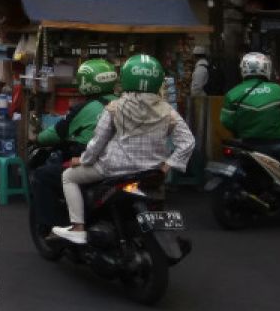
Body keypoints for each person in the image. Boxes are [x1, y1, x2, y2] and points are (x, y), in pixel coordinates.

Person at [52, 54, 196, 244]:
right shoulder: (168, 111)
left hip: (114, 169)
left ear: (126, 78)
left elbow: (97, 143)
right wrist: (167, 166)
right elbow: (188, 142)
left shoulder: (114, 108)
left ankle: (78, 227)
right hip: (150, 173)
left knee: (68, 176)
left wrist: (83, 160)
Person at [30, 59, 118, 229]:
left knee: (44, 175)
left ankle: (54, 227)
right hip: (122, 163)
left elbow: (57, 132)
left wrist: (36, 139)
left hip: (96, 162)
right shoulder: (122, 102)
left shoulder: (87, 108)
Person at [220, 52, 280, 198]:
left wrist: (241, 130)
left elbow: (226, 121)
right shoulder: (279, 90)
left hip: (248, 144)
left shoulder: (232, 93)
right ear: (266, 68)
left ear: (243, 69)